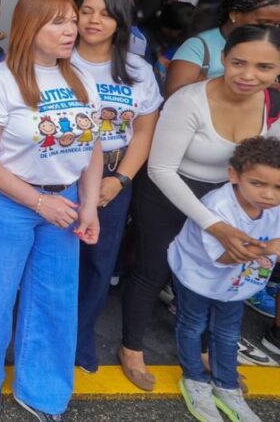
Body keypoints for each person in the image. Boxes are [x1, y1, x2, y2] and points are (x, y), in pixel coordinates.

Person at [0, 0, 102, 419]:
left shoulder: (81, 77)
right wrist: (39, 203)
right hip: (9, 202)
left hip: (67, 203)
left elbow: (91, 148)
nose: (70, 30)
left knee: (55, 298)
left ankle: (40, 390)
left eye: (72, 20)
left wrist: (91, 206)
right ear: (29, 27)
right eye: (58, 22)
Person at [120, 25, 280, 390]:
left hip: (233, 197)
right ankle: (131, 348)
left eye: (264, 67)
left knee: (219, 273)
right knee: (153, 270)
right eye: (239, 63)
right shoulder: (189, 100)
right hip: (171, 190)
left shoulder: (274, 105)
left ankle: (206, 351)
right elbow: (161, 169)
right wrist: (214, 225)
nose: (249, 75)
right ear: (223, 59)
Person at [70, 0, 162, 374]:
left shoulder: (137, 70)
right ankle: (45, 335)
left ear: (120, 22)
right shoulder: (58, 60)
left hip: (112, 172)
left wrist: (120, 180)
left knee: (96, 261)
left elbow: (143, 132)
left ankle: (79, 337)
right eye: (86, 11)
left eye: (105, 14)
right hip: (58, 170)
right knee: (53, 260)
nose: (93, 20)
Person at [169, 136, 280, 422]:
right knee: (193, 325)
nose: (268, 195)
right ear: (234, 174)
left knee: (229, 333)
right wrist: (268, 248)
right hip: (200, 277)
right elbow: (223, 258)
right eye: (258, 183)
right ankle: (193, 379)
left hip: (238, 284)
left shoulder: (275, 207)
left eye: (278, 187)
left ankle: (227, 387)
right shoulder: (218, 205)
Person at [165, 0, 280, 97]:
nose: (270, 29)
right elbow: (175, 94)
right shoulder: (199, 45)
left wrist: (204, 82)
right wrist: (256, 86)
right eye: (263, 22)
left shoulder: (272, 47)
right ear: (235, 15)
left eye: (276, 24)